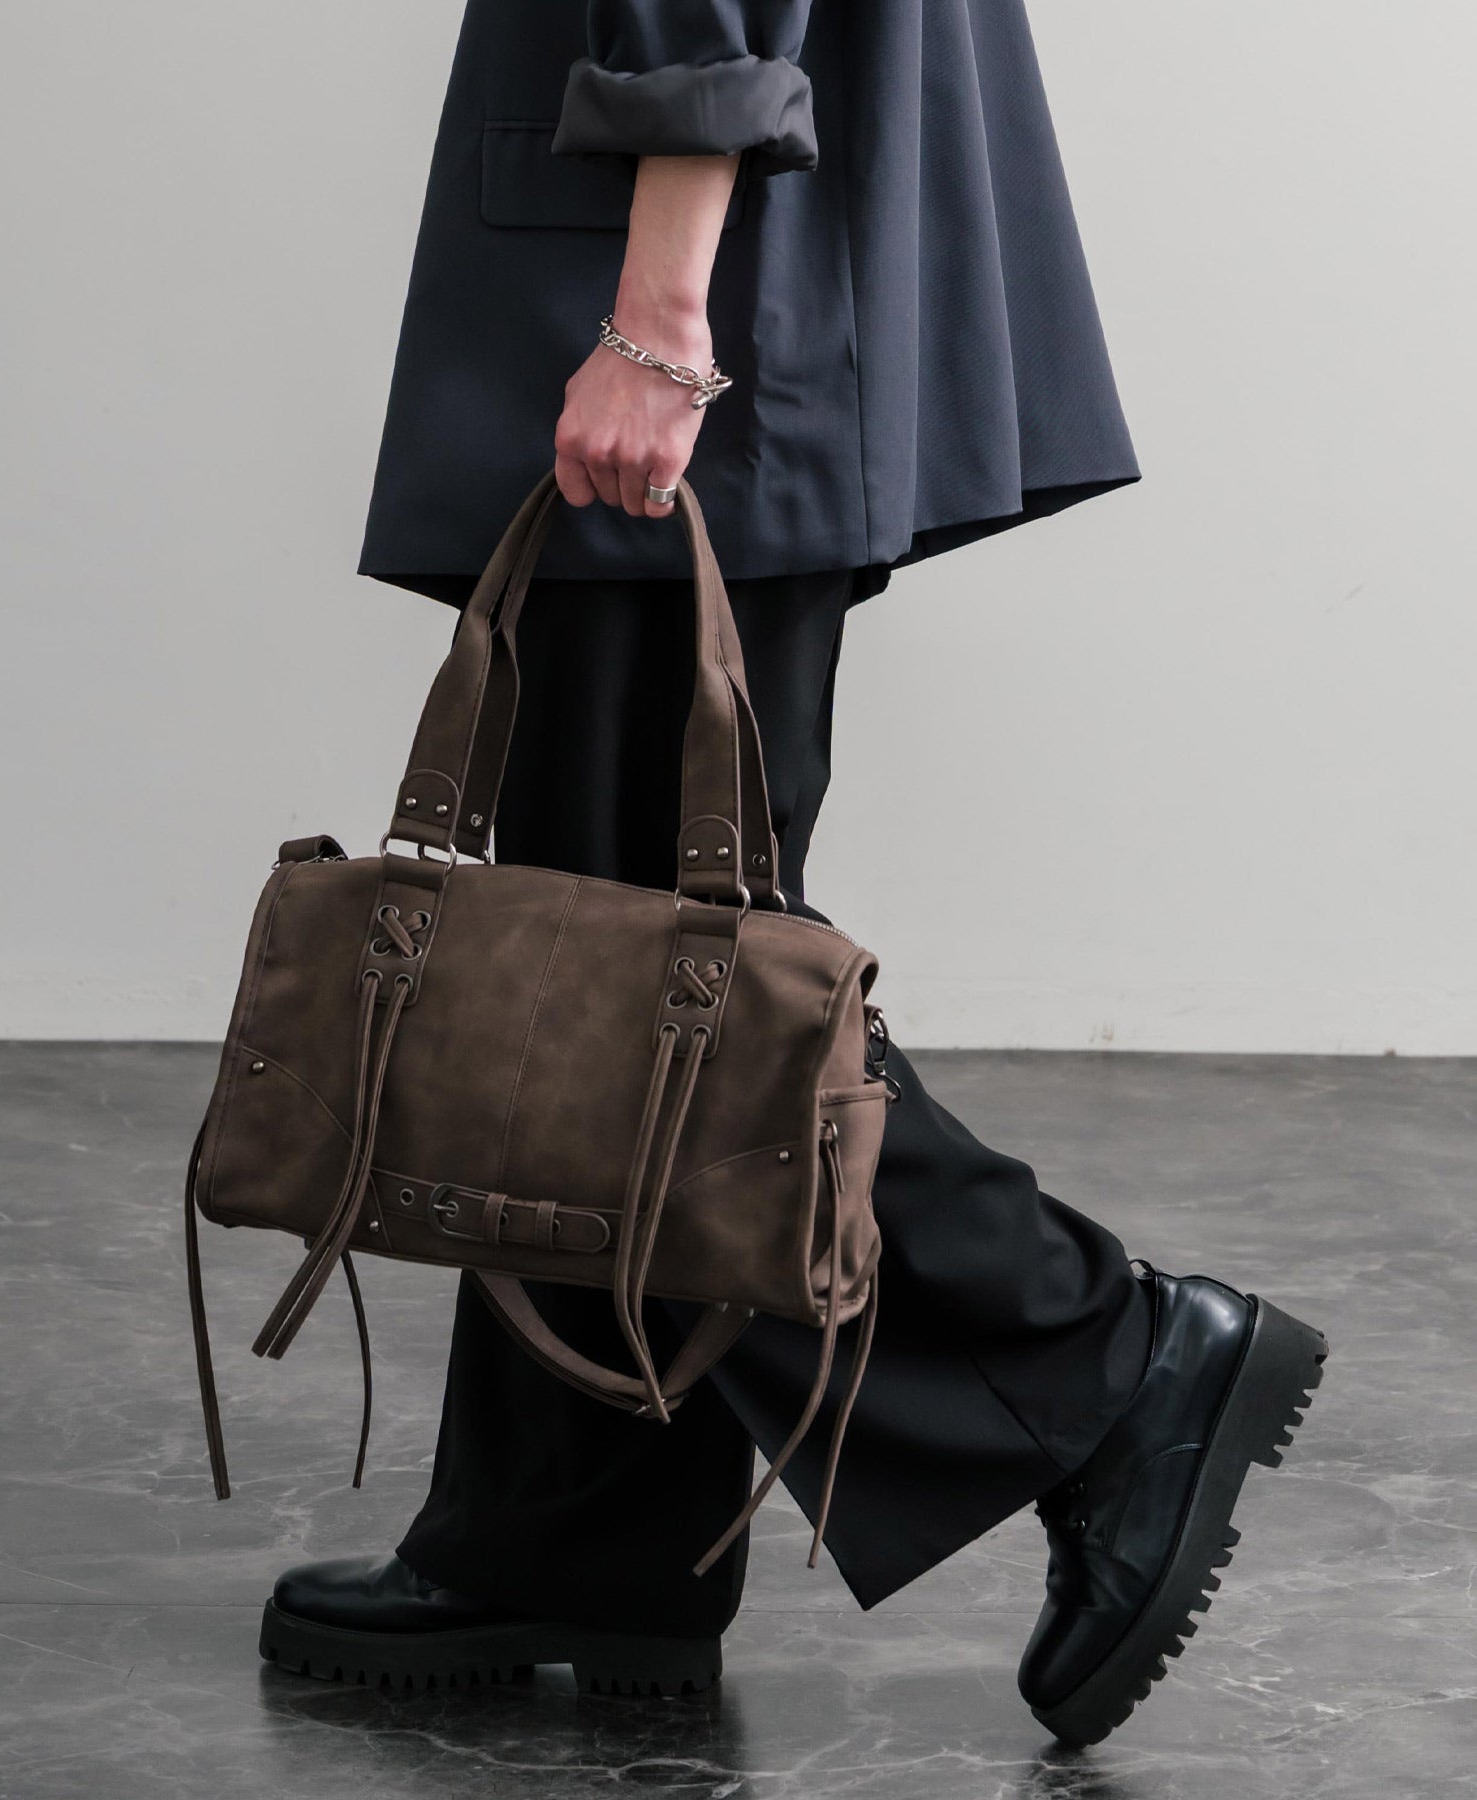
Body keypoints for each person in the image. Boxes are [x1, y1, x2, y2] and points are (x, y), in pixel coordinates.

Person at [259, 1, 1328, 1745]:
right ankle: (575, 1533)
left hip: (690, 274)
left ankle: (1102, 1362)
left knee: (642, 969)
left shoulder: (671, 296)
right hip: (738, 237)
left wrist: (660, 319)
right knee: (609, 953)